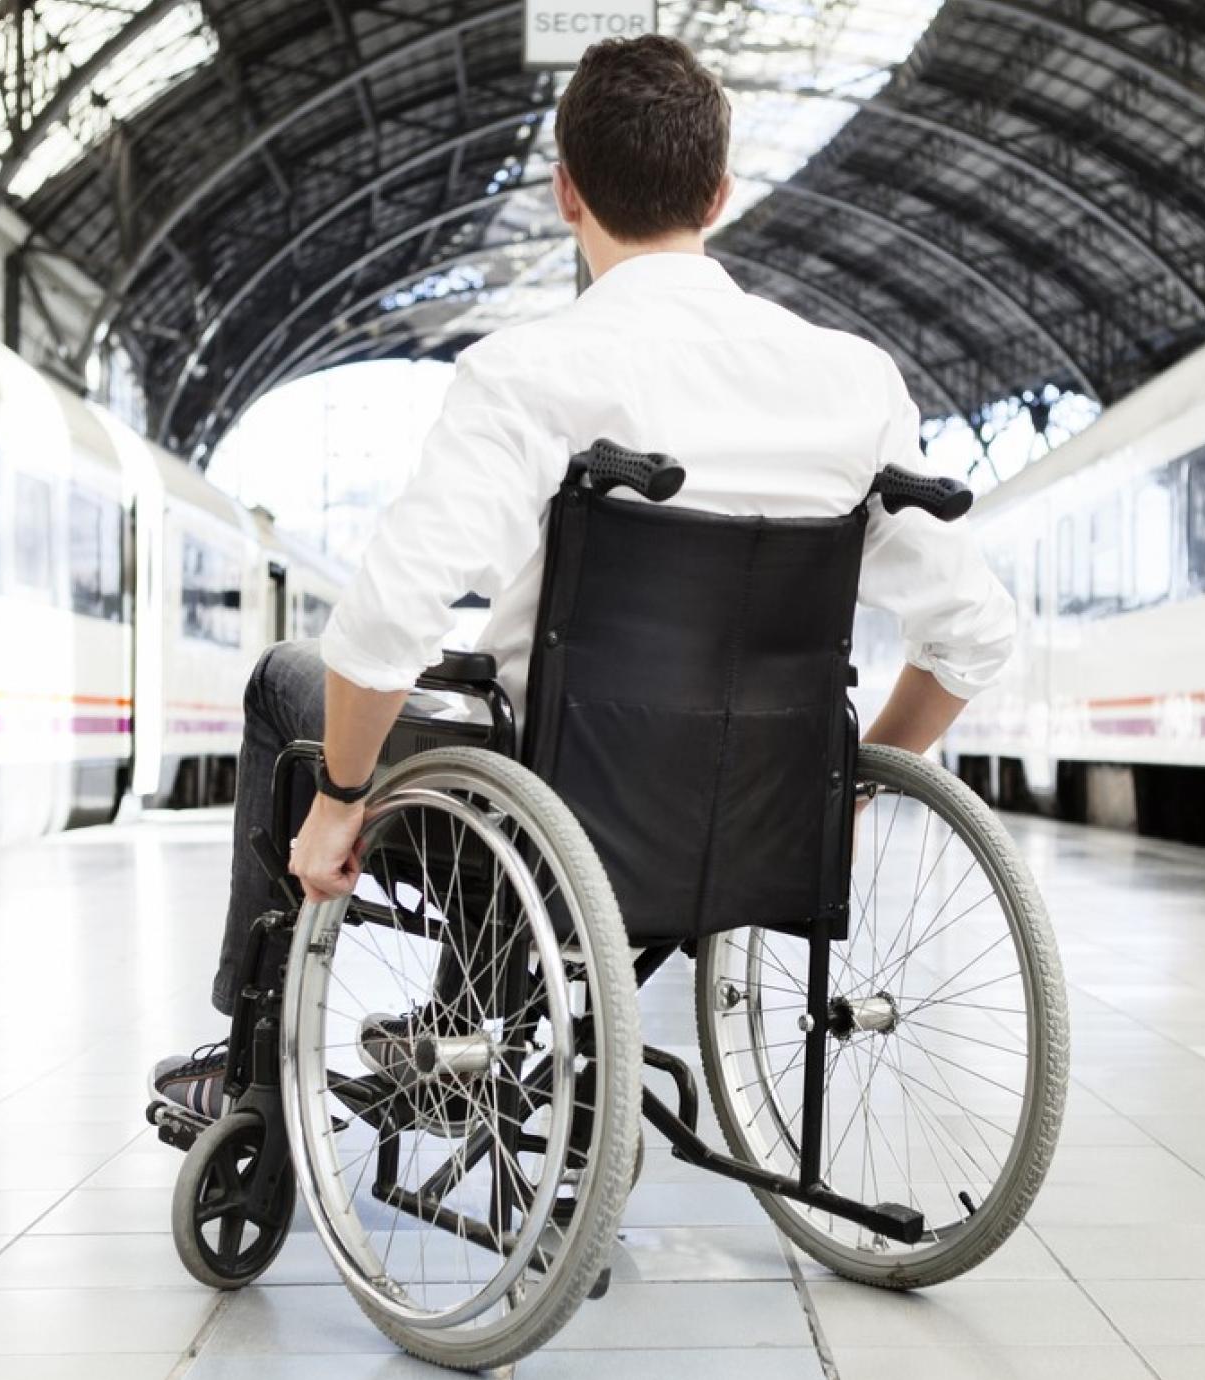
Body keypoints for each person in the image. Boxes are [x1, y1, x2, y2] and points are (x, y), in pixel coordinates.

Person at [151, 33, 1017, 1116]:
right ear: (718, 192)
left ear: (566, 193)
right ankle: (457, 1023)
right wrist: (835, 788)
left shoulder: (533, 372)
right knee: (497, 734)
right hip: (754, 820)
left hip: (549, 803)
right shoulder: (851, 383)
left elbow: (387, 619)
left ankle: (248, 1067)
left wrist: (336, 799)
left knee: (301, 680)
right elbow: (974, 632)